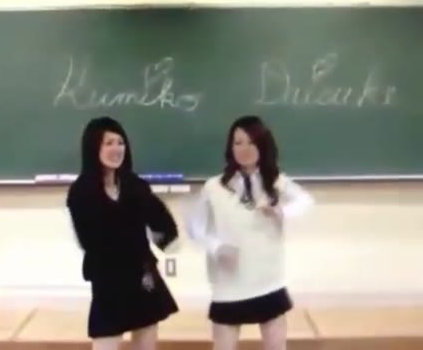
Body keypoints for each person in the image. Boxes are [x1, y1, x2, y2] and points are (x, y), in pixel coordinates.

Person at [186, 115, 314, 350]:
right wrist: (217, 247)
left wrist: (281, 211)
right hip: (229, 285)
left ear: (262, 145)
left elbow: (305, 201)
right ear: (230, 147)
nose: (244, 149)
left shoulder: (274, 181)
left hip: (268, 280)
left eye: (251, 142)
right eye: (238, 143)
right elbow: (195, 227)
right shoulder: (214, 187)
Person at [66, 116, 180, 350]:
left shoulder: (135, 185)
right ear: (93, 147)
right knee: (105, 340)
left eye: (120, 143)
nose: (116, 149)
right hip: (108, 280)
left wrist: (165, 240)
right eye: (108, 143)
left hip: (143, 277)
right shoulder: (81, 192)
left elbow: (162, 223)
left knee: (147, 338)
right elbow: (89, 240)